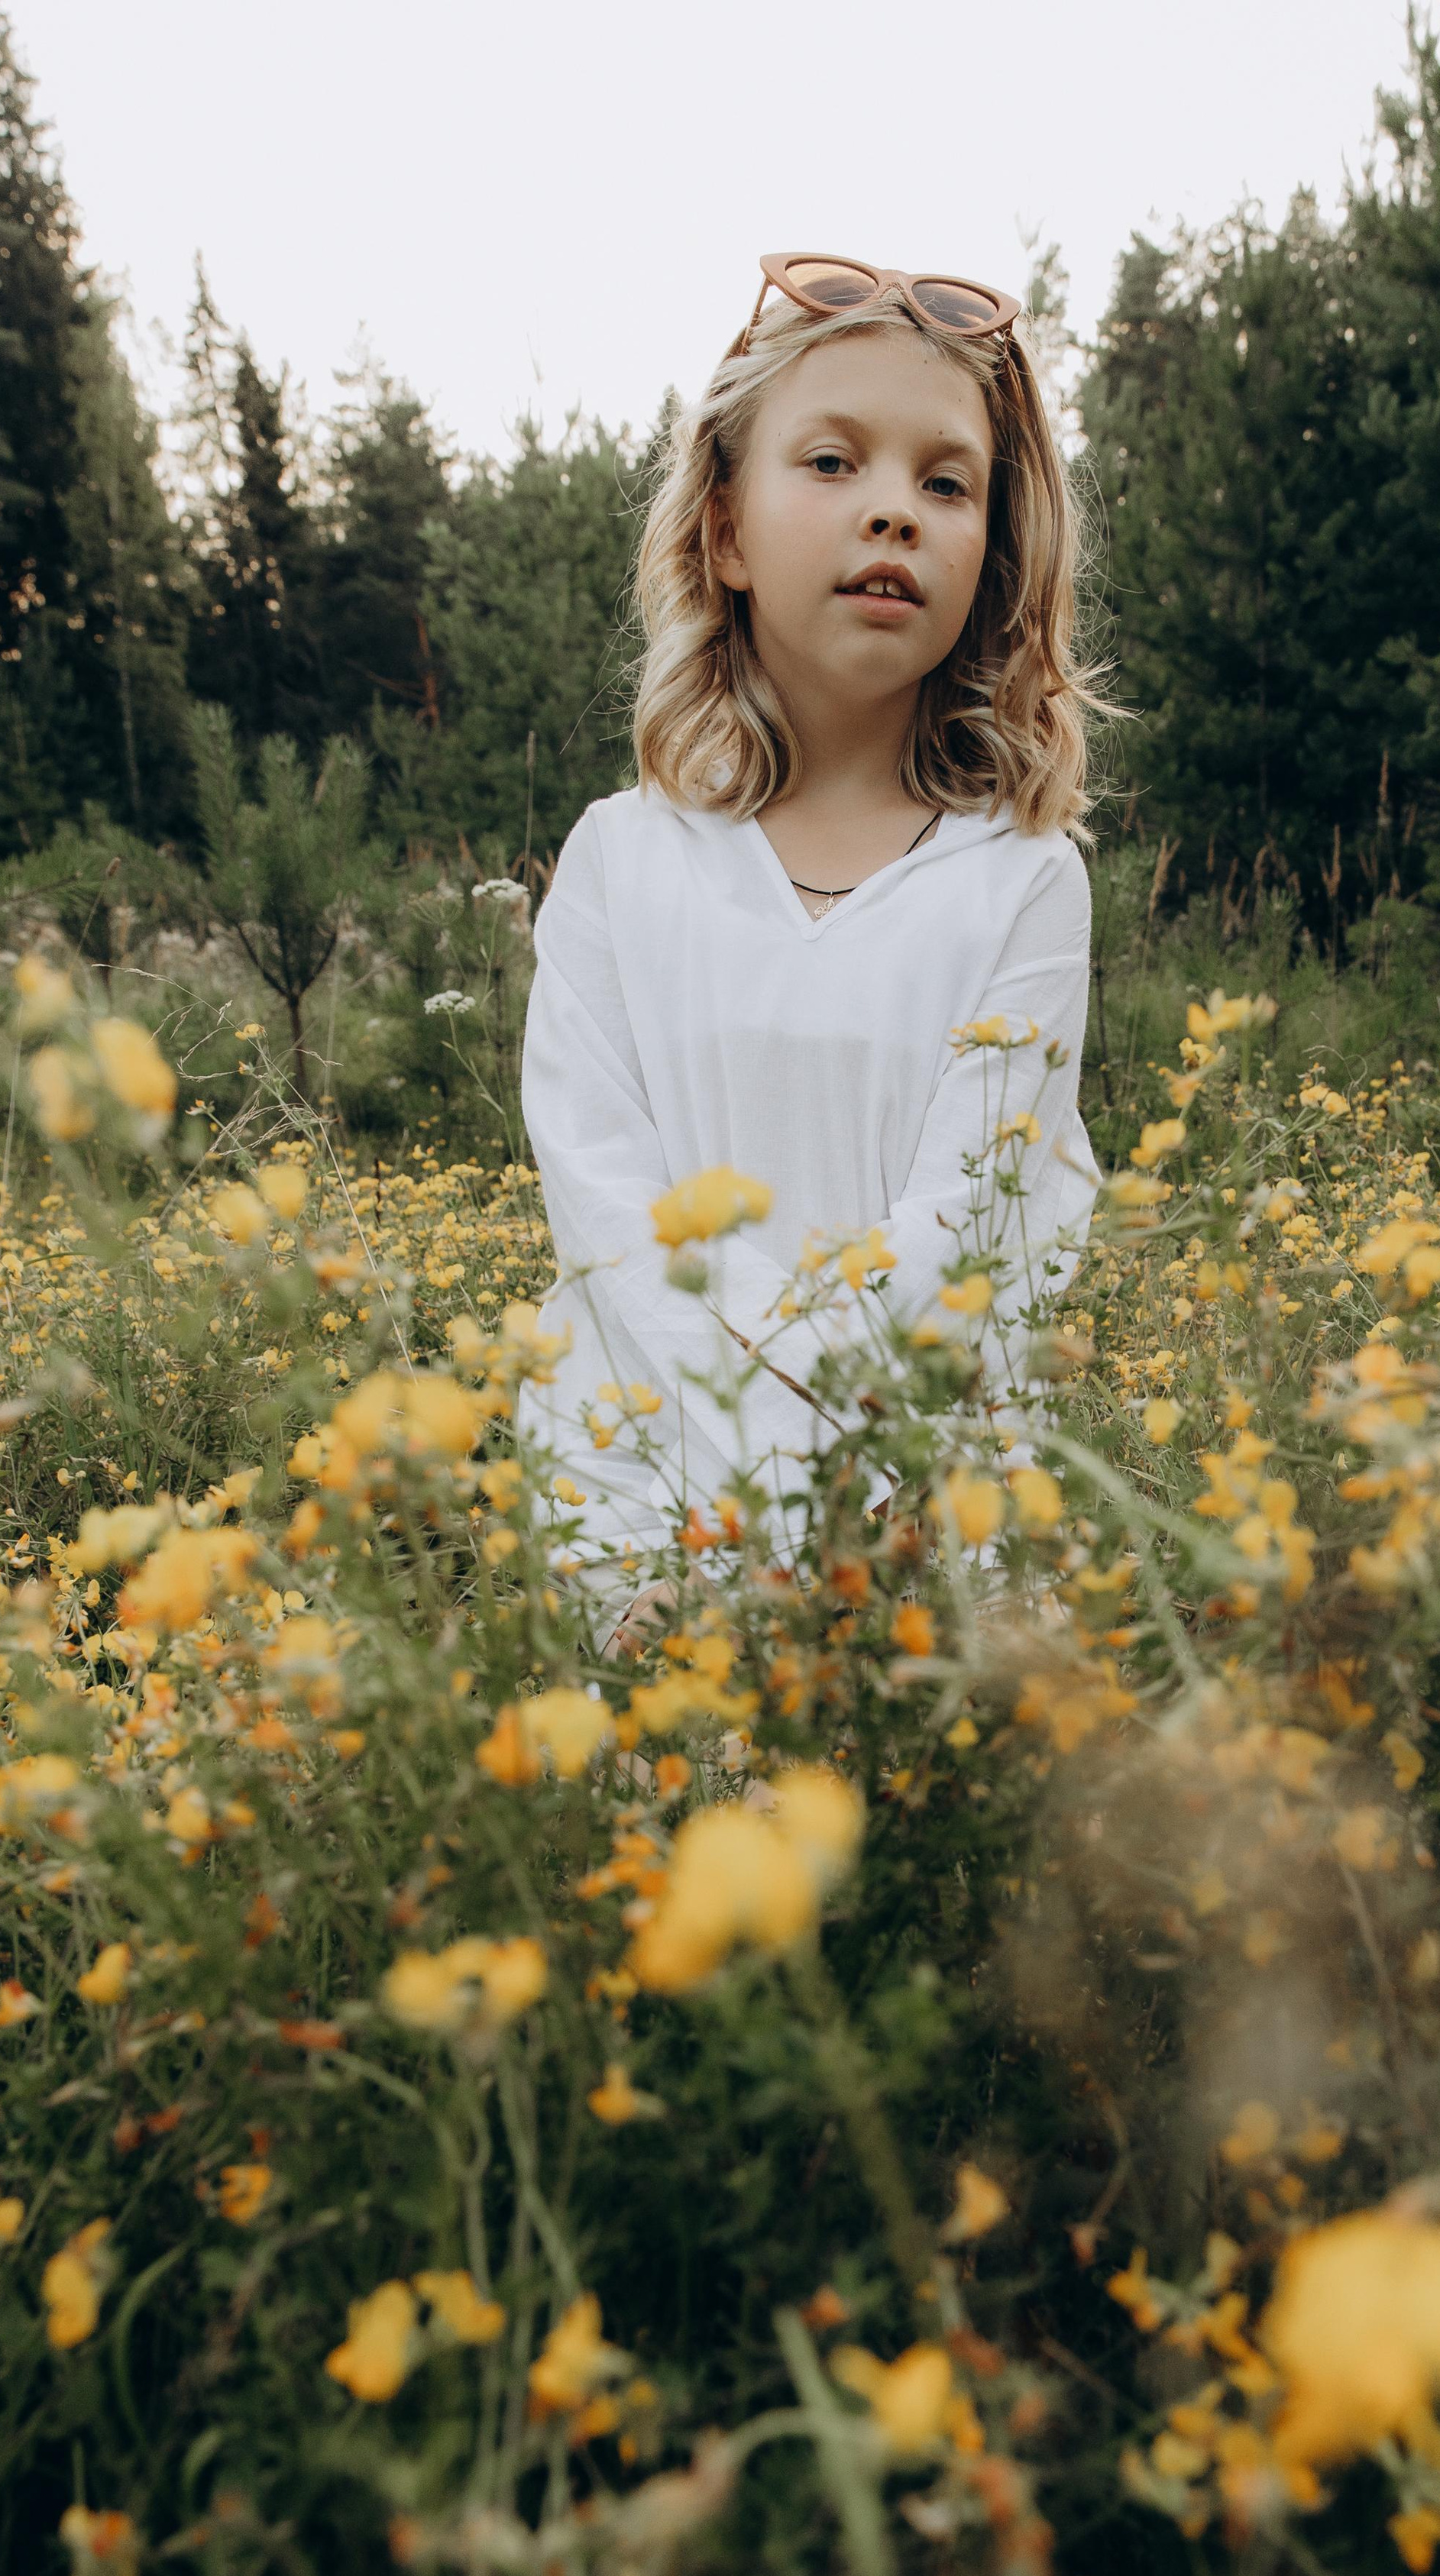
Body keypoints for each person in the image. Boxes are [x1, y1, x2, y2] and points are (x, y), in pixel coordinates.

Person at [516, 254, 1103, 1622]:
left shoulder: (1021, 881)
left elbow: (977, 1239)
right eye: (833, 462)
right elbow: (613, 1222)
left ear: (991, 558)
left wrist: (840, 1520)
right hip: (645, 1520)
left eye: (946, 484)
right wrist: (751, 1526)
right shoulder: (619, 863)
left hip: (917, 1544)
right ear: (724, 535)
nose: (893, 509)